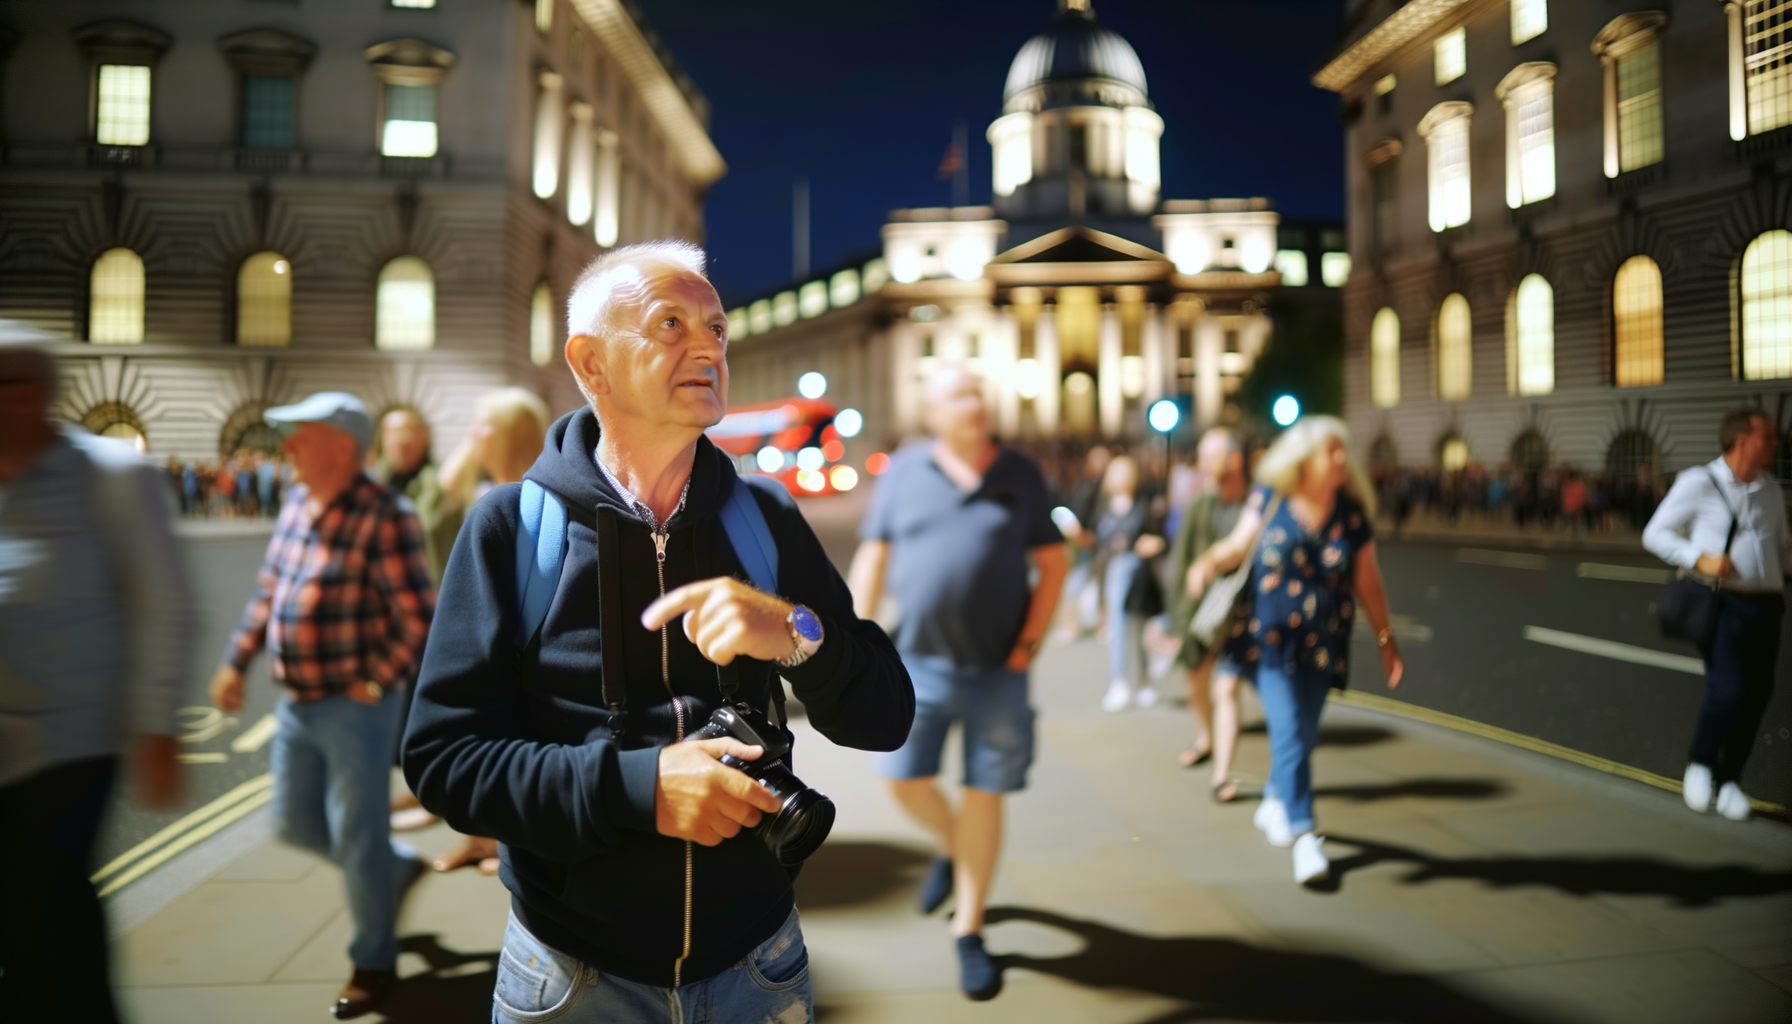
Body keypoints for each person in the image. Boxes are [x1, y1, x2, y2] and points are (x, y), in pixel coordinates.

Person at [402, 241, 913, 1024]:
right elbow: (445, 761)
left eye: (716, 328)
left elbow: (886, 716)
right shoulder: (510, 528)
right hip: (575, 979)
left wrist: (795, 632)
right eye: (670, 323)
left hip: (762, 966)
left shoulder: (764, 518)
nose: (707, 344)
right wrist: (642, 790)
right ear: (592, 362)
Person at [210, 391, 437, 1020]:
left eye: (299, 437)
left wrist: (374, 682)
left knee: (358, 836)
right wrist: (236, 659)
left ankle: (373, 961)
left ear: (341, 448)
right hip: (297, 703)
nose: (288, 449)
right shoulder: (295, 503)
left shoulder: (385, 514)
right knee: (292, 822)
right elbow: (267, 592)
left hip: (356, 708)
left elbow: (419, 616)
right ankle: (394, 870)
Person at [848, 365, 1069, 1001]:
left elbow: (1053, 564)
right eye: (959, 396)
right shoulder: (906, 472)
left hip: (999, 671)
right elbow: (875, 554)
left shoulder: (1019, 474)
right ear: (933, 413)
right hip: (917, 664)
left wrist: (1029, 646)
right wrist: (860, 640)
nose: (975, 404)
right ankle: (954, 847)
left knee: (984, 793)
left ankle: (969, 931)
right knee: (902, 782)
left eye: (979, 393)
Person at [0, 340, 195, 1023]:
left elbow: (165, 604)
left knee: (45, 907)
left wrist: (158, 723)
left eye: (18, 384)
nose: (6, 401)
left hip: (70, 743)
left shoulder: (110, 475)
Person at [1220, 417, 1403, 885]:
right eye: (1332, 451)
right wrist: (1206, 562)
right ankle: (1306, 837)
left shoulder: (1351, 512)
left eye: (1344, 451)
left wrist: (1386, 642)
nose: (1342, 459)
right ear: (1305, 458)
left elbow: (1368, 580)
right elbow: (1239, 545)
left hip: (1324, 645)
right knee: (1287, 730)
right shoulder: (1270, 498)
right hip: (1270, 642)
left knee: (1302, 734)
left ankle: (1277, 799)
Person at [423, 386, 553, 876]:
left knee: (513, 741)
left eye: (484, 427)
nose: (472, 436)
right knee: (479, 737)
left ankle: (507, 843)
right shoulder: (487, 491)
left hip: (520, 641)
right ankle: (481, 840)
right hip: (482, 635)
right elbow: (435, 503)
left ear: (513, 435)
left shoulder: (535, 489)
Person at [1643, 407, 1789, 821]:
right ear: (1743, 440)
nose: (1775, 442)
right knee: (1727, 692)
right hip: (1724, 605)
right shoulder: (1699, 482)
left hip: (1768, 606)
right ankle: (1701, 764)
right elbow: (1654, 533)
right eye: (1768, 435)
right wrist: (1698, 558)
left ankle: (1729, 782)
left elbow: (1782, 548)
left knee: (1757, 697)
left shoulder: (1771, 489)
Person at [1168, 428, 1252, 801]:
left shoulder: (1255, 503)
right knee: (1195, 683)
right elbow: (1182, 562)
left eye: (1210, 456)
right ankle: (1207, 738)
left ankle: (1222, 774)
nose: (1201, 464)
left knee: (1227, 686)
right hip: (1204, 613)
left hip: (1245, 611)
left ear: (1234, 460)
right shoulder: (1200, 505)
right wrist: (1176, 621)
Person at [1095, 454, 1166, 712]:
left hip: (1140, 574)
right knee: (1119, 631)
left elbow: (1160, 537)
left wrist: (1151, 545)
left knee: (1140, 629)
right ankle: (1120, 681)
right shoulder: (1102, 506)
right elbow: (1096, 543)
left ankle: (1145, 681)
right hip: (1114, 573)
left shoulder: (1144, 504)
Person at [370, 407, 460, 585]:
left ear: (425, 436)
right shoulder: (370, 485)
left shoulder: (445, 485)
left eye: (409, 431)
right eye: (393, 432)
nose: (401, 440)